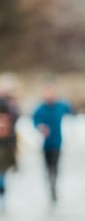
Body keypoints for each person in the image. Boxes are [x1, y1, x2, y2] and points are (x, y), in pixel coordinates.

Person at [30, 82, 71, 211]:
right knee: (48, 167)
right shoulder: (40, 108)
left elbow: (71, 112)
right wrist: (40, 127)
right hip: (45, 144)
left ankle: (54, 185)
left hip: (57, 142)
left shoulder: (61, 106)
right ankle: (50, 184)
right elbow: (35, 120)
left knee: (55, 166)